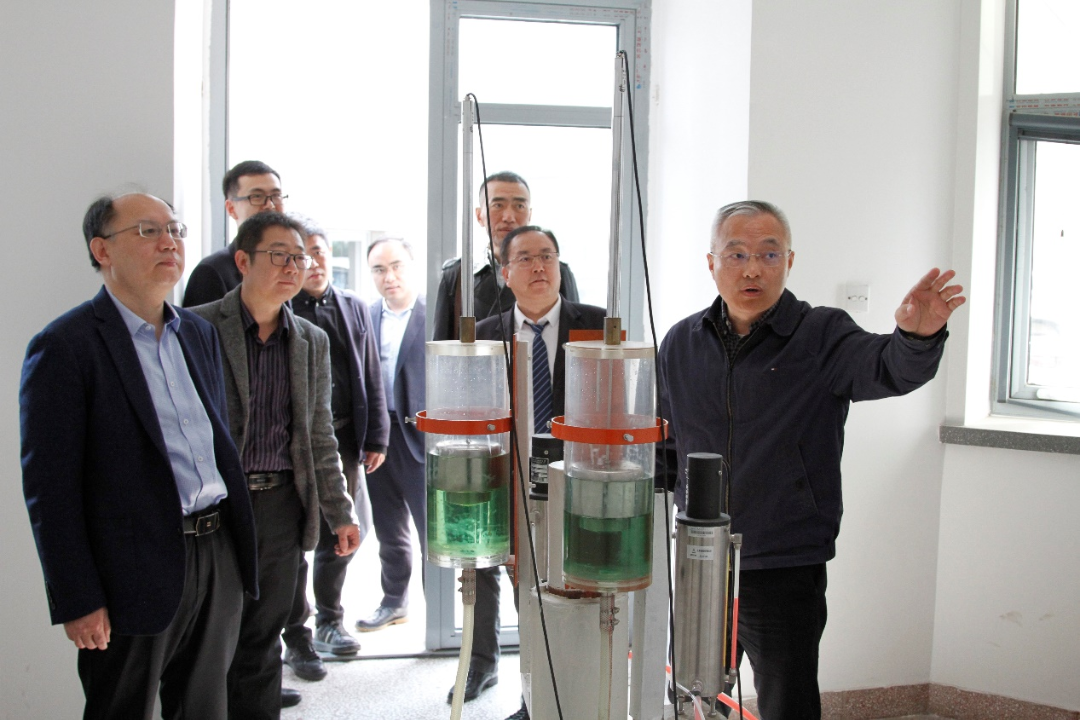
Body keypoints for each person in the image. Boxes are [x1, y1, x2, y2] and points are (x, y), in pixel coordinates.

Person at [657, 201, 966, 720]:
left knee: (787, 702)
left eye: (768, 254)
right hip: (701, 556)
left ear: (790, 261)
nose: (753, 269)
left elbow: (887, 368)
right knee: (691, 699)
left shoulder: (821, 334)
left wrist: (917, 338)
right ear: (711, 262)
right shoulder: (682, 343)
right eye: (736, 254)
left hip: (784, 562)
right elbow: (666, 446)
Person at [20, 193, 259, 719]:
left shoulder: (197, 333)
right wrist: (78, 598)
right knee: (121, 708)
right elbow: (50, 491)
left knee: (205, 707)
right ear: (102, 250)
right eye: (149, 231)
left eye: (175, 230)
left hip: (215, 551)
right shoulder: (65, 346)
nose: (169, 242)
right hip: (130, 566)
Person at [190, 212, 361, 718]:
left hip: (281, 506)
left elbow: (319, 434)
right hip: (216, 509)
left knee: (263, 640)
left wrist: (340, 511)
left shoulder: (310, 339)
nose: (293, 267)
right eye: (279, 255)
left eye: (299, 257)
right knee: (209, 643)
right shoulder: (196, 327)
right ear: (243, 261)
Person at [471, 226, 606, 719]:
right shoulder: (487, 334)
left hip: (580, 483)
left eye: (547, 256)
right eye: (525, 258)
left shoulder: (596, 324)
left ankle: (580, 700)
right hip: (513, 485)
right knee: (526, 597)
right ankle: (535, 702)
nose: (538, 266)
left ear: (559, 266)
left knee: (583, 595)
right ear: (506, 274)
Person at [280, 218, 390, 680]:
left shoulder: (353, 306)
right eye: (303, 254)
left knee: (342, 535)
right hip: (289, 447)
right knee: (291, 541)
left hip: (343, 441)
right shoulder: (280, 308)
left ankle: (330, 619)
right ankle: (295, 634)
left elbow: (370, 373)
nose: (313, 261)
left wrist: (377, 435)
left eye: (320, 252)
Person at [354, 238, 427, 633]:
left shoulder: (435, 315)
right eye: (379, 270)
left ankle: (441, 610)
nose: (389, 276)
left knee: (431, 530)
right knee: (388, 527)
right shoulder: (365, 317)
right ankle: (394, 601)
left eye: (396, 266)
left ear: (411, 265)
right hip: (378, 437)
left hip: (421, 436)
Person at [432, 171, 580, 341]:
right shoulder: (458, 275)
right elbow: (442, 346)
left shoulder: (555, 271)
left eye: (519, 206)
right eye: (498, 205)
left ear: (529, 215)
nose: (509, 217)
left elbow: (574, 334)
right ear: (479, 215)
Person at [183, 160, 286, 308]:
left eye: (276, 196)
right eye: (257, 196)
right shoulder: (212, 272)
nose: (270, 205)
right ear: (231, 208)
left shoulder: (289, 265)